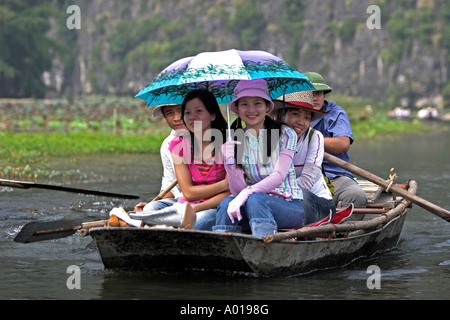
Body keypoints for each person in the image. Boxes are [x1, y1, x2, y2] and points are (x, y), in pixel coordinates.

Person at [213, 79, 304, 238]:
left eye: (257, 103)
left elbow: (279, 176)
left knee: (256, 200)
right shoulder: (236, 139)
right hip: (253, 205)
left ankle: (264, 247)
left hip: (289, 206)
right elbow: (237, 191)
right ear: (237, 109)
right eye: (244, 104)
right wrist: (229, 164)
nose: (251, 110)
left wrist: (247, 192)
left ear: (267, 107)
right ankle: (226, 250)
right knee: (226, 204)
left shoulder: (285, 134)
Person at [130, 89, 230, 230]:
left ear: (213, 115)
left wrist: (194, 208)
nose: (188, 117)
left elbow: (231, 192)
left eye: (198, 112)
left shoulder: (230, 144)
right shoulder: (176, 145)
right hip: (185, 202)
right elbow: (186, 192)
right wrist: (224, 185)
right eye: (187, 113)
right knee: (151, 207)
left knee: (194, 222)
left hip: (214, 205)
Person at [271, 91, 353, 226]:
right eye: (295, 114)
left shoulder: (315, 137)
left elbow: (307, 182)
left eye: (307, 117)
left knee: (304, 195)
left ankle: (299, 231)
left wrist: (274, 193)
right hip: (281, 200)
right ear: (281, 114)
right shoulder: (270, 137)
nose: (301, 122)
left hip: (317, 202)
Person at [304, 72, 367, 216]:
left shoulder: (335, 113)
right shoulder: (290, 113)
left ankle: (344, 233)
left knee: (355, 196)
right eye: (310, 93)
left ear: (324, 95)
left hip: (334, 176)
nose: (314, 98)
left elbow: (343, 144)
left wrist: (311, 140)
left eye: (318, 93)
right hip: (300, 175)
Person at [134, 104, 186, 212]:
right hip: (181, 200)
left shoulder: (205, 137)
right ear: (164, 116)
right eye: (170, 113)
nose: (176, 118)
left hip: (199, 200)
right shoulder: (168, 144)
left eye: (181, 111)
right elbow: (170, 185)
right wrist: (154, 203)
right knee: (150, 208)